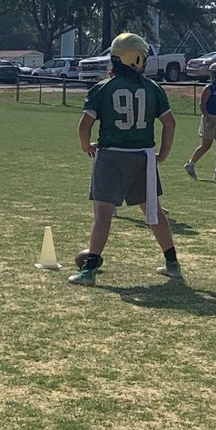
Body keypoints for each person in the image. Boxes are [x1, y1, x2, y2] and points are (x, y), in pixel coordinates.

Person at [69, 32, 182, 287]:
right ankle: (172, 263)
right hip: (143, 156)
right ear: (136, 59)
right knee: (153, 211)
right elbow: (170, 123)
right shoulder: (153, 88)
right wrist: (163, 154)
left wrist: (86, 146)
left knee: (103, 213)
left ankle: (89, 270)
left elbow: (85, 124)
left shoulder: (102, 88)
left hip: (111, 156)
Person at [184, 61, 216, 183]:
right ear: (213, 74)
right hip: (210, 118)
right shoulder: (209, 88)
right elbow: (202, 105)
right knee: (206, 145)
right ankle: (190, 164)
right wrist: (208, 119)